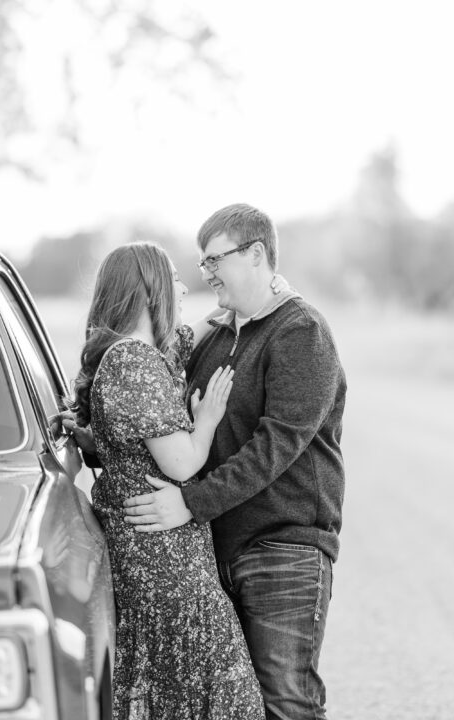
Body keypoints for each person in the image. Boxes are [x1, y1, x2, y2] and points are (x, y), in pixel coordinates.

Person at [122, 203, 347, 720]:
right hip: (218, 548)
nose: (207, 275)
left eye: (214, 261)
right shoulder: (220, 334)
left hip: (284, 549)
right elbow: (157, 408)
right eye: (203, 265)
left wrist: (191, 503)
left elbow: (275, 448)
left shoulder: (300, 332)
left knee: (285, 702)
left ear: (257, 255)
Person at [68, 242, 264, 720]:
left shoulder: (133, 354)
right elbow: (181, 465)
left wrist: (239, 299)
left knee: (175, 690)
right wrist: (209, 419)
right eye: (173, 277)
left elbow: (187, 333)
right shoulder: (134, 364)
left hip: (153, 555)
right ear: (150, 288)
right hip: (165, 563)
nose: (182, 287)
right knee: (217, 689)